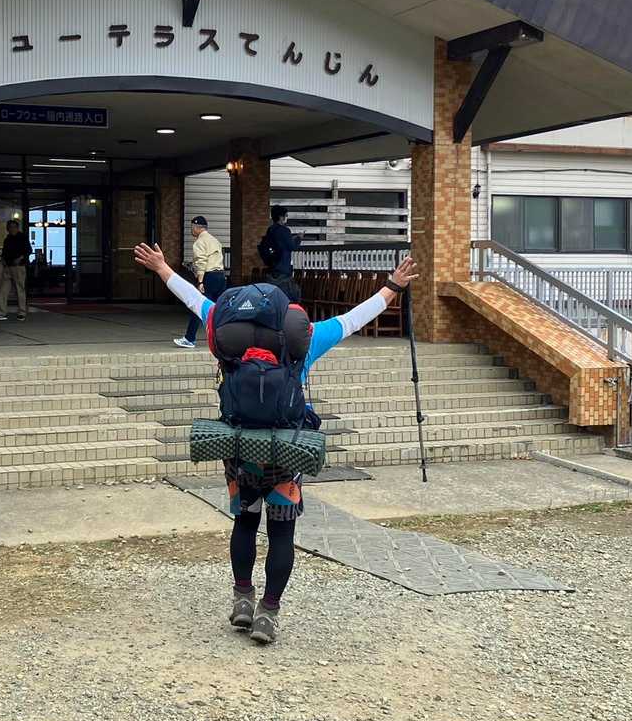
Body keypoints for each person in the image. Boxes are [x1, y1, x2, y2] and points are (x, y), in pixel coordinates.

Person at [135, 241, 419, 644]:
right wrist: (393, 285)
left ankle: (242, 599)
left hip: (238, 448)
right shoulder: (304, 339)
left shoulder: (226, 328)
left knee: (245, 522)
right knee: (282, 532)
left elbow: (194, 300)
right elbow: (354, 318)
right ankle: (268, 613)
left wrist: (162, 268)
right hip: (286, 452)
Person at [174, 216, 226, 349]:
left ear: (196, 227)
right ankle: (224, 339)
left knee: (198, 306)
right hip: (220, 276)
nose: (191, 230)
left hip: (208, 277)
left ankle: (189, 338)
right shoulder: (215, 240)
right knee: (219, 309)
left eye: (192, 227)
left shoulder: (199, 242)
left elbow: (201, 262)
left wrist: (200, 282)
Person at [258, 205, 303, 302]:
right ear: (281, 217)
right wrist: (299, 238)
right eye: (286, 215)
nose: (286, 218)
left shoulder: (270, 230)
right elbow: (292, 246)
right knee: (290, 295)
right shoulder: (285, 230)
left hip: (272, 267)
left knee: (273, 296)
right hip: (283, 268)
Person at [0, 219, 29, 321]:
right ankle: (1, 312)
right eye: (10, 227)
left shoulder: (22, 237)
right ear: (7, 229)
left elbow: (28, 250)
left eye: (14, 227)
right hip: (8, 267)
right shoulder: (7, 239)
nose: (12, 229)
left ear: (17, 228)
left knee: (20, 289)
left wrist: (20, 258)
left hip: (18, 266)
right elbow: (4, 252)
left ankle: (22, 312)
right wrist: (3, 260)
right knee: (3, 290)